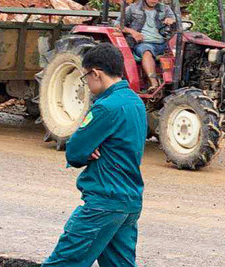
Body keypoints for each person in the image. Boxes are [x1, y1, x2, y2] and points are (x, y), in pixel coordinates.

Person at [43, 43, 147, 267]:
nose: (87, 86)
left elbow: (75, 152)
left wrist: (89, 149)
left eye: (85, 79)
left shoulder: (105, 108)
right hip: (129, 202)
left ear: (96, 73)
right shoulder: (135, 102)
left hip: (103, 202)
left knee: (62, 263)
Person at [119, 0, 178, 88]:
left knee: (181, 50)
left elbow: (174, 20)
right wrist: (133, 32)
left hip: (163, 43)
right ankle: (154, 84)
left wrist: (171, 20)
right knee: (147, 51)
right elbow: (118, 25)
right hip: (143, 43)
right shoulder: (132, 9)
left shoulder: (165, 9)